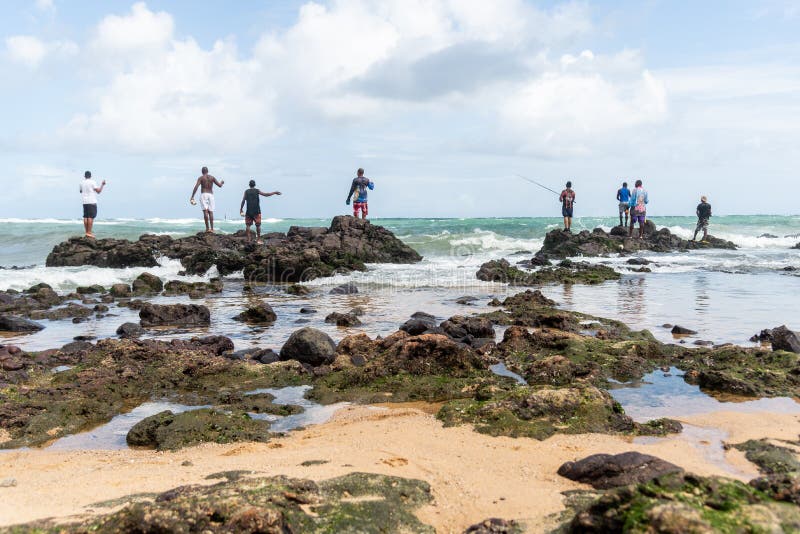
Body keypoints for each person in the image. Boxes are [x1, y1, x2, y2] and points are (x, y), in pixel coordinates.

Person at [239, 179, 281, 244]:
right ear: (254, 185)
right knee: (258, 225)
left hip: (249, 211)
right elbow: (266, 194)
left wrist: (241, 209)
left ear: (249, 185)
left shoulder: (246, 191)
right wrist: (274, 192)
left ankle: (249, 240)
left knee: (248, 225)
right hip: (256, 211)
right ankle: (258, 240)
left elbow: (243, 200)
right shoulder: (257, 191)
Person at [190, 167, 224, 233]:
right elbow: (220, 185)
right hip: (211, 195)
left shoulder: (201, 178)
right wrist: (222, 182)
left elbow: (196, 186)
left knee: (205, 211)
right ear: (207, 171)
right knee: (211, 212)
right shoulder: (212, 177)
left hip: (204, 194)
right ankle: (212, 229)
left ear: (202, 172)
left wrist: (192, 196)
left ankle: (207, 229)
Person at [80, 170, 106, 238]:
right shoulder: (92, 182)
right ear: (90, 176)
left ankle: (86, 232)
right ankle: (89, 232)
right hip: (91, 201)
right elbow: (98, 191)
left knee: (85, 217)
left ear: (84, 176)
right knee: (90, 217)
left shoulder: (81, 183)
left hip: (84, 202)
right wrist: (102, 185)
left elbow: (80, 191)